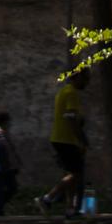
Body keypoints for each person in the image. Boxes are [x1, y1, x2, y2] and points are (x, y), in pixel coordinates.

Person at [40, 69, 89, 216]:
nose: (87, 82)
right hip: (65, 139)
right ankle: (47, 198)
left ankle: (70, 209)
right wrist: (82, 139)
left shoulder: (63, 92)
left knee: (72, 174)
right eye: (86, 78)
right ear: (78, 77)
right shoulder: (71, 93)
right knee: (76, 174)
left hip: (60, 138)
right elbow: (70, 118)